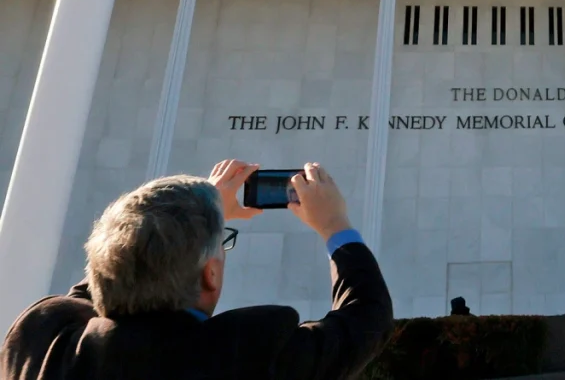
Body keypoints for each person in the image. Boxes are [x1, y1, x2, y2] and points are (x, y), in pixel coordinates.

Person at [1, 160, 393, 380]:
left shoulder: (41, 341)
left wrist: (197, 216)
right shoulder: (248, 355)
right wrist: (335, 225)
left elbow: (101, 284)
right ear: (211, 275)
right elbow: (365, 318)